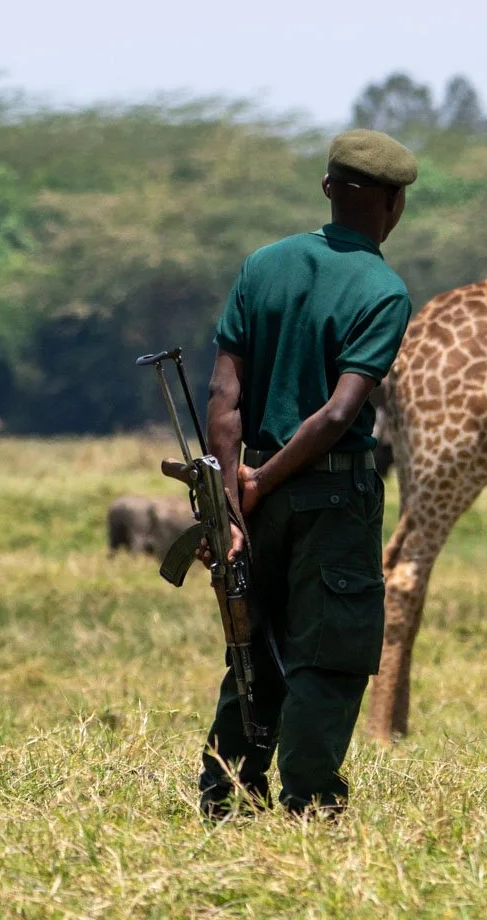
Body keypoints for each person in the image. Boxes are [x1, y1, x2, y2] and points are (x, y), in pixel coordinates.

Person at [197, 129, 417, 818]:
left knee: (253, 641)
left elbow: (223, 398)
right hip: (332, 494)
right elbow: (337, 413)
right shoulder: (383, 289)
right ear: (394, 202)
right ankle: (310, 801)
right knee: (330, 653)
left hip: (253, 485)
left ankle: (227, 795)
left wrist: (232, 494)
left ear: (328, 189)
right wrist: (263, 485)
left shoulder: (263, 265)